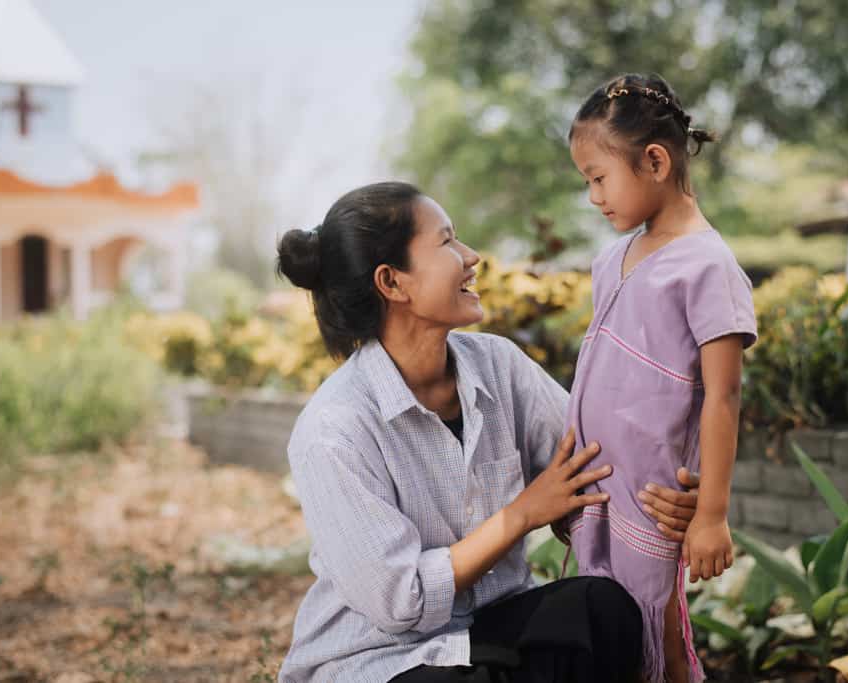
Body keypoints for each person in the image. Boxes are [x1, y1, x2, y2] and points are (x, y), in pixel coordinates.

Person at [274, 181, 703, 683]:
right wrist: (523, 514)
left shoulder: (498, 365)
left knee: (600, 610)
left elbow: (591, 464)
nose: (471, 256)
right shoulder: (334, 429)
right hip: (379, 659)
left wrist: (667, 500)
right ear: (392, 282)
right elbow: (400, 602)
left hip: (489, 630)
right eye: (447, 242)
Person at [563, 73, 758, 683]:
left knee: (661, 631)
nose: (594, 197)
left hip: (655, 495)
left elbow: (723, 396)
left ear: (654, 160)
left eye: (599, 178)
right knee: (604, 626)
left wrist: (711, 514)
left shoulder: (708, 266)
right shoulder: (609, 260)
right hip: (598, 484)